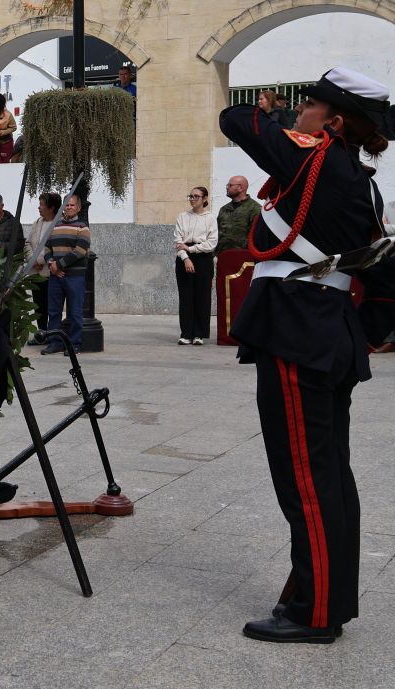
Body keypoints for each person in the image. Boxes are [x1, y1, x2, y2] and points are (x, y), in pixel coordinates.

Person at [222, 67, 390, 644]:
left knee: (306, 479)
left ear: (334, 121)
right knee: (329, 474)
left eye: (309, 105)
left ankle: (316, 612)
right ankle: (316, 592)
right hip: (328, 331)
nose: (298, 113)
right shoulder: (364, 182)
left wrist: (262, 109)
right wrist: (361, 327)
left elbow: (233, 119)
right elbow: (385, 272)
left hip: (298, 329)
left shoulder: (315, 159)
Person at [42, 193, 90, 354]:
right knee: (53, 311)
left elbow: (80, 251)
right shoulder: (54, 226)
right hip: (56, 276)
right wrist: (51, 264)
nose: (68, 207)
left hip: (74, 277)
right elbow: (47, 248)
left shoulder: (83, 228)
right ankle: (55, 342)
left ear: (78, 207)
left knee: (75, 312)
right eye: (66, 205)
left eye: (72, 205)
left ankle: (75, 343)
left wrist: (60, 265)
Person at [173, 186, 218, 345]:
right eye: (190, 196)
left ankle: (199, 333)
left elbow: (212, 243)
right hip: (184, 258)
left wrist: (191, 248)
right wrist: (186, 258)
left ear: (205, 199)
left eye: (196, 196)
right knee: (186, 297)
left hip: (203, 259)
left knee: (202, 296)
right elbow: (178, 241)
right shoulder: (182, 216)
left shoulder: (210, 218)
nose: (192, 199)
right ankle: (186, 333)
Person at [24, 192, 61, 344]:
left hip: (49, 272)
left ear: (51, 208)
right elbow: (27, 243)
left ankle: (51, 334)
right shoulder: (37, 222)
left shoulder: (58, 224)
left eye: (42, 205)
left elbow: (55, 248)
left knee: (50, 306)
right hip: (36, 272)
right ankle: (41, 334)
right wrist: (32, 260)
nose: (39, 208)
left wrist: (41, 261)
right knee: (38, 306)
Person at [216, 176, 261, 253]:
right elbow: (219, 233)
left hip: (244, 257)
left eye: (230, 185)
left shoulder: (255, 209)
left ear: (240, 188)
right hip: (222, 255)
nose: (227, 188)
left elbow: (257, 236)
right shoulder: (224, 209)